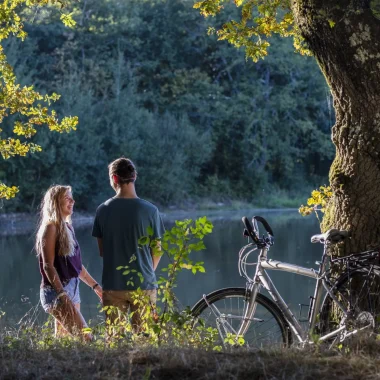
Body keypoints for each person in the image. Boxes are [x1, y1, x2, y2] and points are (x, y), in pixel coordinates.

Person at [92, 157, 165, 332]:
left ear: (115, 179)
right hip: (144, 285)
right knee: (145, 340)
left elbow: (103, 251)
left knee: (115, 340)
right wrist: (146, 270)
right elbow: (158, 250)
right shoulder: (150, 210)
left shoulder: (103, 210)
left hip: (113, 285)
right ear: (134, 176)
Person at [36, 185, 102, 340]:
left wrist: (96, 287)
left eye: (71, 197)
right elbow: (48, 265)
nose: (72, 200)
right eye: (67, 197)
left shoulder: (68, 228)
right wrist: (61, 294)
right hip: (56, 291)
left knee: (63, 340)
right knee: (87, 338)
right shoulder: (50, 228)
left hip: (73, 288)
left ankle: (54, 364)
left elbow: (77, 267)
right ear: (55, 202)